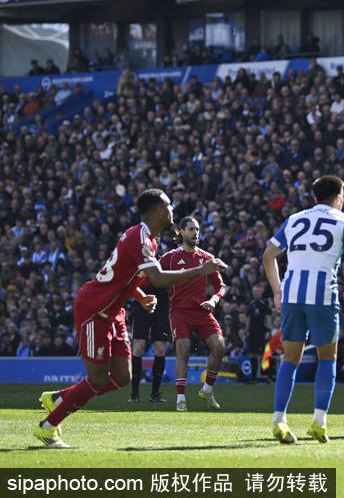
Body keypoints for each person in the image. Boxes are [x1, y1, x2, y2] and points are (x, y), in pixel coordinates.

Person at [35, 189, 227, 447]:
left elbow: (123, 275)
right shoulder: (141, 238)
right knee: (97, 379)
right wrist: (200, 270)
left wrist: (140, 296)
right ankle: (48, 427)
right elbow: (158, 279)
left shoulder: (147, 238)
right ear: (158, 210)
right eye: (169, 205)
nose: (172, 209)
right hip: (94, 310)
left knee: (123, 377)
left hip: (113, 312)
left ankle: (58, 398)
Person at [263, 175, 344, 444]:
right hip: (322, 295)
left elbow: (268, 255)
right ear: (338, 197)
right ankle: (319, 422)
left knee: (290, 358)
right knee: (327, 358)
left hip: (291, 294)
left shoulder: (294, 219)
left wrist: (277, 290)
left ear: (315, 197)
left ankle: (279, 419)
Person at [161, 216, 228, 411]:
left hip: (202, 310)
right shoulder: (170, 257)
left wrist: (213, 300)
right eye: (191, 229)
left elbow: (221, 286)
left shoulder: (206, 258)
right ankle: (180, 399)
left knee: (219, 346)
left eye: (197, 229)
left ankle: (207, 390)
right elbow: (152, 274)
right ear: (181, 232)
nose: (195, 233)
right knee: (184, 349)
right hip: (179, 311)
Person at [128, 276, 171, 404]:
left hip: (162, 305)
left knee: (160, 349)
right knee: (138, 347)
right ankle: (134, 393)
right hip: (142, 302)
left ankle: (155, 394)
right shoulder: (142, 265)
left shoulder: (167, 263)